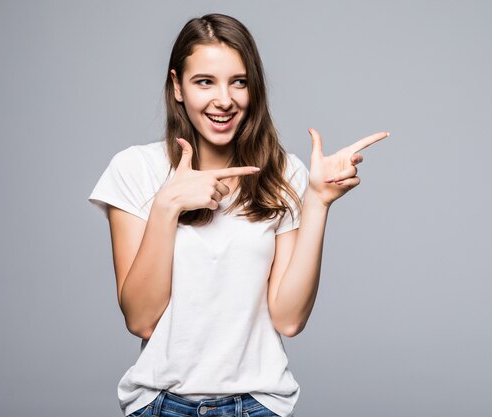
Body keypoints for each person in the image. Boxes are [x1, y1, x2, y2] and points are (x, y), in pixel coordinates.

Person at [88, 12, 389, 417]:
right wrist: (167, 205)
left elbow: (289, 319)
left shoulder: (285, 172)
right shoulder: (135, 169)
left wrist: (317, 201)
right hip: (159, 405)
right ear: (177, 86)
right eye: (204, 82)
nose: (224, 100)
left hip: (258, 405)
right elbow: (141, 320)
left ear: (254, 88)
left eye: (239, 82)